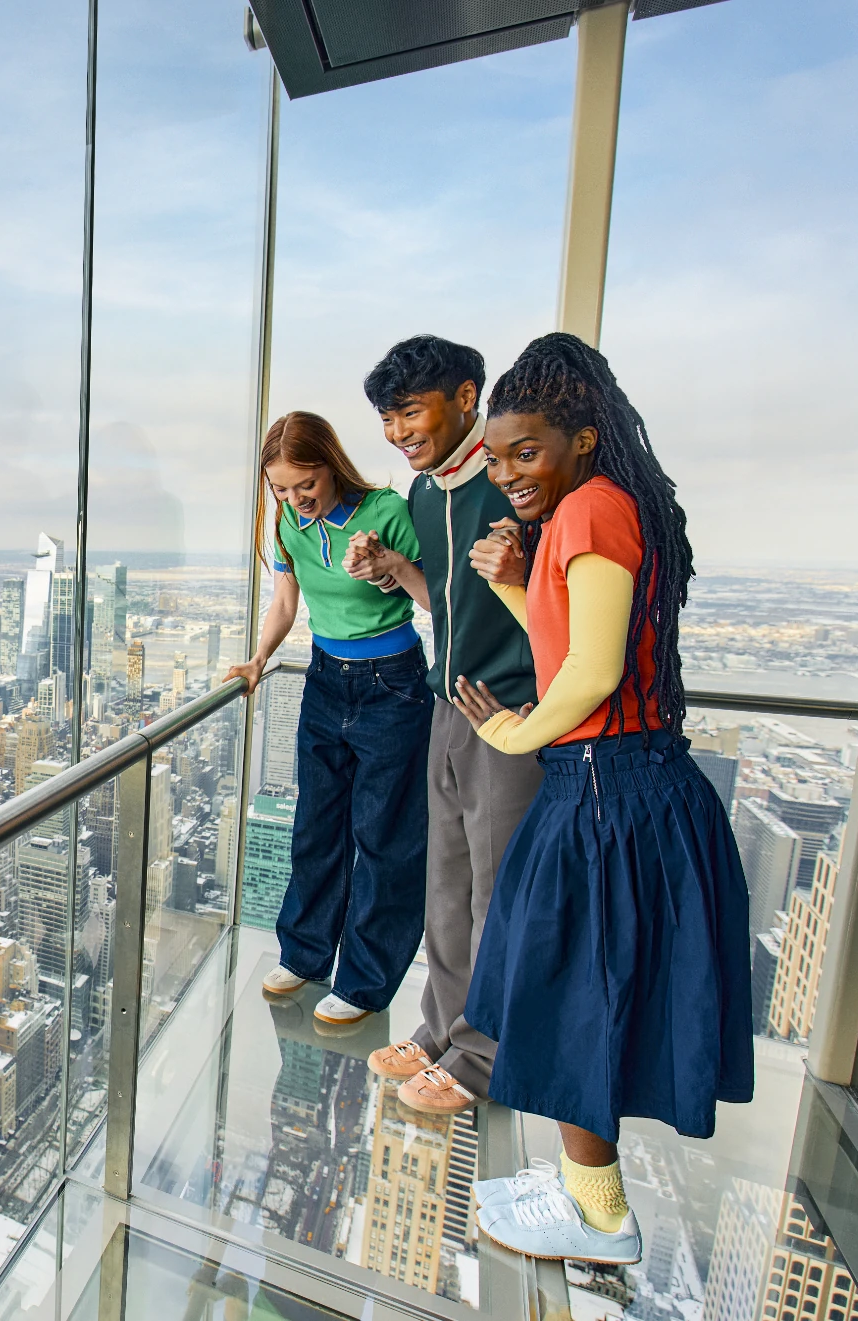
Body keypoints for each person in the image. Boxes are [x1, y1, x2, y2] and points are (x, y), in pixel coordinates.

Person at [450, 333, 752, 1265]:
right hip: (627, 784)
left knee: (571, 995)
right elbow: (570, 644)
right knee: (580, 994)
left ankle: (602, 1217)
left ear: (582, 437)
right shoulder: (612, 506)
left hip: (605, 793)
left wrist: (512, 731)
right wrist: (510, 584)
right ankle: (588, 1193)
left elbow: (589, 670)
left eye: (525, 451)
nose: (507, 475)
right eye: (496, 458)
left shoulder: (589, 512)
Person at [339, 336, 544, 1119]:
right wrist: (393, 568)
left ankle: (484, 1057)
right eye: (388, 417)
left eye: (409, 411)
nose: (397, 430)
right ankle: (439, 1034)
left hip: (511, 714)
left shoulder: (516, 486)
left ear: (467, 396)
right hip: (448, 706)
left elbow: (556, 606)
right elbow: (446, 604)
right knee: (447, 887)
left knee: (497, 894)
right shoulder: (428, 494)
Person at [225, 410, 431, 1029]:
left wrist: (390, 565)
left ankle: (366, 983)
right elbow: (286, 599)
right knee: (315, 828)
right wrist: (260, 657)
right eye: (281, 488)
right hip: (323, 679)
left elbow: (433, 598)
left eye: (304, 485)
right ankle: (306, 955)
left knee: (384, 840)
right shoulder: (290, 522)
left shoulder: (386, 511)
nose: (294, 499)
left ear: (332, 466)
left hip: (392, 684)